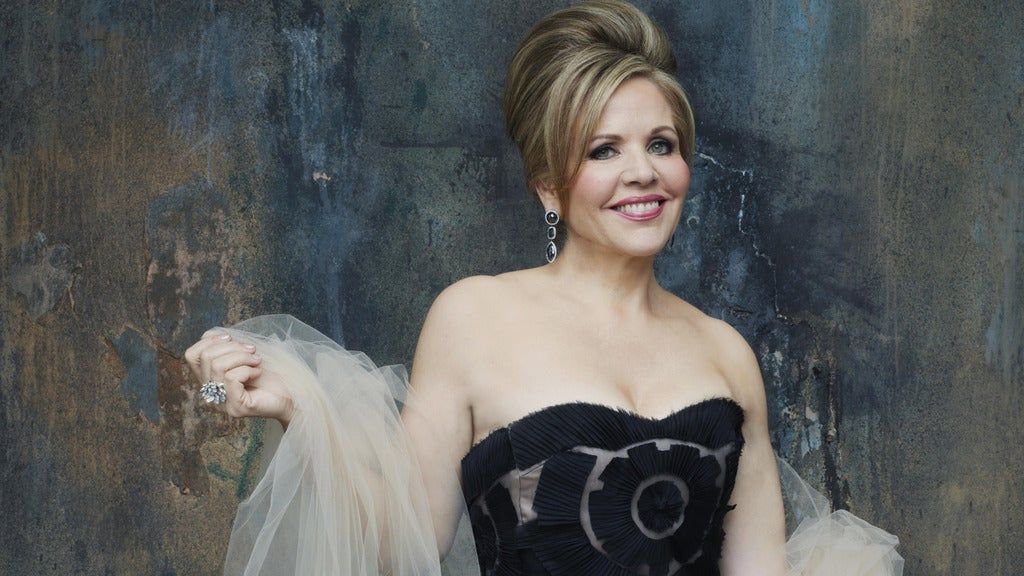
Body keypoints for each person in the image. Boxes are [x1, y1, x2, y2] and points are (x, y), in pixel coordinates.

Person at [185, 1, 904, 574]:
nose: (644, 173)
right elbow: (402, 544)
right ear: (549, 187)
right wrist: (296, 411)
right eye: (603, 150)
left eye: (661, 144)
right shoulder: (473, 318)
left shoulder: (727, 354)